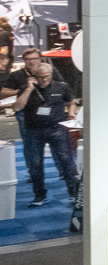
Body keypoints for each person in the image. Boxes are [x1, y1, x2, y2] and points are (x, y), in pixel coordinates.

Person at [15, 59, 79, 207]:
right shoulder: (26, 88)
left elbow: (71, 101)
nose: (45, 80)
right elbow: (17, 107)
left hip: (57, 128)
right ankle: (39, 195)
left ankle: (74, 193)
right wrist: (29, 89)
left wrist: (71, 113)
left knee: (67, 161)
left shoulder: (61, 86)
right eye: (41, 77)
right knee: (35, 163)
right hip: (34, 130)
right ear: (34, 77)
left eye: (47, 76)